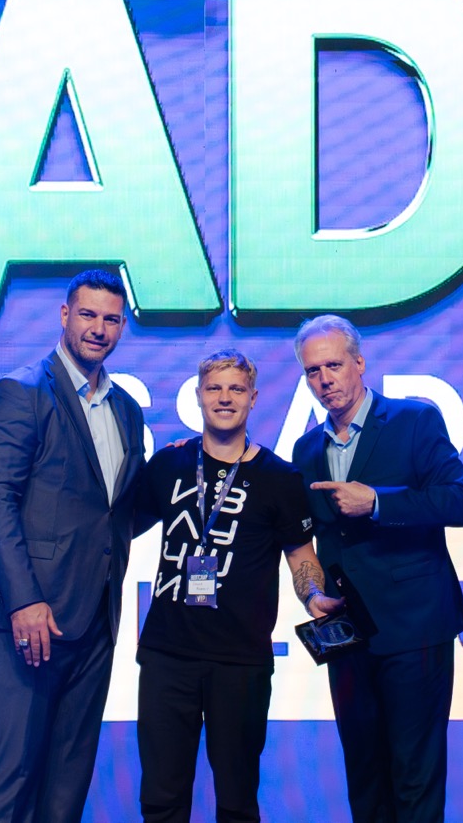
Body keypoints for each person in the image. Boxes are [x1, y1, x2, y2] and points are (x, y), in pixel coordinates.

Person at [0, 269, 148, 823]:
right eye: (88, 315)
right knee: (10, 776)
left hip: (93, 621)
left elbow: (112, 515)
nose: (99, 329)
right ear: (65, 315)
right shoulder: (19, 393)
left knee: (67, 787)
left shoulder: (126, 409)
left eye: (111, 319)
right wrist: (24, 601)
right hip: (24, 619)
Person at [136, 349, 342, 823]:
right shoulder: (168, 464)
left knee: (236, 801)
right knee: (161, 799)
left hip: (241, 660)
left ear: (253, 398)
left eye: (236, 389)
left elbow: (301, 555)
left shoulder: (280, 478)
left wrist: (313, 596)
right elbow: (118, 529)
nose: (224, 398)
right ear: (198, 396)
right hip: (167, 655)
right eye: (214, 388)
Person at [290, 315, 463, 823]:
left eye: (333, 366)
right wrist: (311, 595)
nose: (325, 379)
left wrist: (377, 501)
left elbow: (461, 501)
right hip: (346, 633)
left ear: (359, 363)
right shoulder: (306, 450)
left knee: (414, 777)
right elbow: (306, 540)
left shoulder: (414, 420)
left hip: (414, 626)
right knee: (365, 775)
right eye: (312, 371)